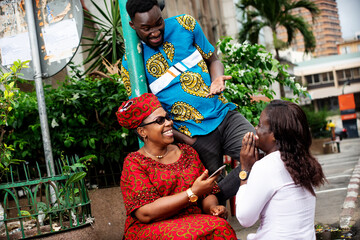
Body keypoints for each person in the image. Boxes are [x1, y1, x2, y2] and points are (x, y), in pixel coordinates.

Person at [121, 0, 255, 202]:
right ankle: (216, 200)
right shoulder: (131, 65)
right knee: (208, 196)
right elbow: (147, 118)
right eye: (146, 28)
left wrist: (217, 78)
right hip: (192, 136)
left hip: (223, 116)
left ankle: (220, 194)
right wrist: (187, 141)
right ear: (133, 26)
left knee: (262, 154)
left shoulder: (186, 24)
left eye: (159, 23)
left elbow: (214, 59)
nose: (155, 32)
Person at [116, 93, 237, 239]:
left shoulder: (187, 152)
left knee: (221, 227)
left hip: (192, 219)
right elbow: (145, 213)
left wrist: (212, 208)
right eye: (159, 121)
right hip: (151, 226)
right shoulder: (134, 162)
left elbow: (205, 192)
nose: (168, 123)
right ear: (143, 132)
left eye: (167, 117)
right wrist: (191, 193)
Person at [235, 100, 326, 239]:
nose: (255, 129)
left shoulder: (266, 166)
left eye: (260, 125)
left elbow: (245, 218)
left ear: (274, 136)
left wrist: (245, 170)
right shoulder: (304, 161)